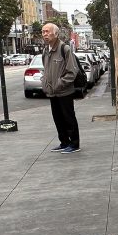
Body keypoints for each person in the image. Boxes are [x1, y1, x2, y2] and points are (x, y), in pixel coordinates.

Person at [41, 23, 81, 153]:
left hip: (64, 91)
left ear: (56, 34)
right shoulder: (45, 51)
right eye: (43, 32)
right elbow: (46, 70)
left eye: (47, 31)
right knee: (58, 119)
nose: (45, 34)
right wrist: (45, 83)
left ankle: (74, 144)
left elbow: (72, 72)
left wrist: (59, 84)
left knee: (68, 118)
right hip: (52, 93)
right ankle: (64, 142)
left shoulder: (65, 49)